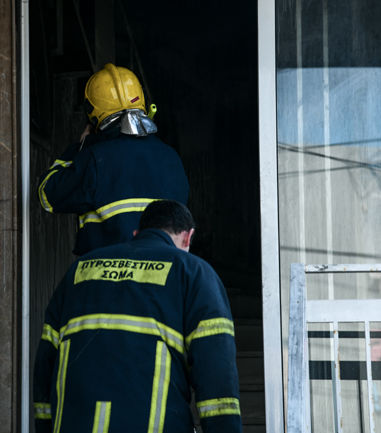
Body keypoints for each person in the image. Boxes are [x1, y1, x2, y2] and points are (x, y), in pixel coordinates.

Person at [33, 200, 241, 433]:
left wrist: (44, 426)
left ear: (136, 234)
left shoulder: (80, 270)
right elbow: (216, 375)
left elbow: (45, 363)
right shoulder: (193, 273)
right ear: (188, 237)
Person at [37, 63, 189, 256]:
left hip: (108, 281)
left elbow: (47, 195)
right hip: (163, 279)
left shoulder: (93, 159)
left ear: (92, 113)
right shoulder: (172, 159)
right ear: (141, 101)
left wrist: (79, 148)